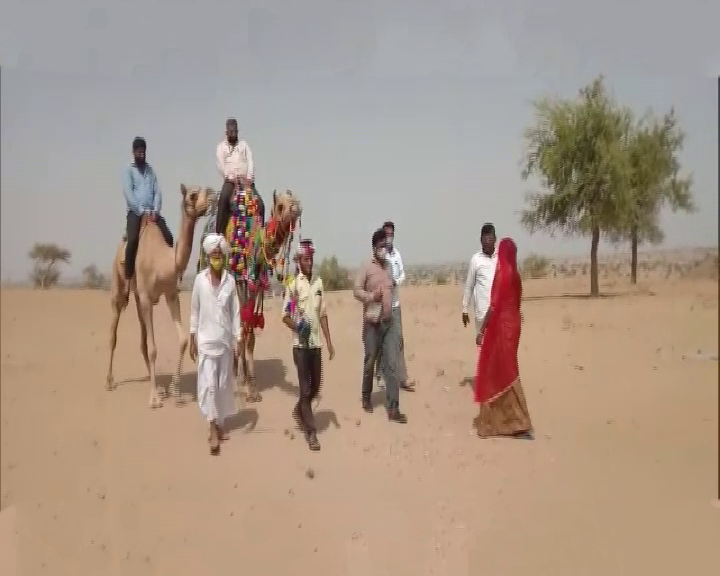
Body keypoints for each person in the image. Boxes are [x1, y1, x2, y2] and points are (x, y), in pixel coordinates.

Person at [473, 237, 533, 439]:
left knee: (501, 371)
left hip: (502, 328)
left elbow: (493, 306)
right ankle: (505, 420)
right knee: (504, 369)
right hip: (514, 326)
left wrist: (482, 329)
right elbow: (517, 304)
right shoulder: (516, 275)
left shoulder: (503, 275)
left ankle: (520, 421)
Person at [189, 233, 241, 455]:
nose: (217, 257)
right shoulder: (199, 280)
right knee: (209, 386)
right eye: (213, 254)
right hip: (205, 342)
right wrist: (192, 337)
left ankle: (220, 422)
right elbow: (194, 310)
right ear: (207, 256)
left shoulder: (230, 281)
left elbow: (235, 312)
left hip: (224, 342)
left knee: (221, 386)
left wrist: (238, 339)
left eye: (220, 254)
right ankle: (212, 428)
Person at [282, 239, 335, 451]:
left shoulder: (319, 283)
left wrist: (329, 342)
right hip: (300, 346)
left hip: (316, 345)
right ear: (299, 262)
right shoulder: (293, 285)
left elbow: (323, 314)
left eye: (311, 258)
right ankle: (311, 432)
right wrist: (297, 327)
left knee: (316, 387)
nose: (310, 262)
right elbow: (285, 316)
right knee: (305, 390)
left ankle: (299, 411)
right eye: (306, 259)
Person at [354, 228, 407, 423]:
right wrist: (371, 297)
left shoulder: (389, 267)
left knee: (391, 364)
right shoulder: (366, 267)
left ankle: (394, 409)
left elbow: (392, 289)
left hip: (388, 321)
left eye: (386, 245)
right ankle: (366, 396)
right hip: (371, 322)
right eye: (381, 246)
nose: (384, 249)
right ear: (374, 247)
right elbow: (356, 290)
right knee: (370, 361)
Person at [122, 137, 174, 290]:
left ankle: (170, 277)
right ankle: (128, 278)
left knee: (169, 238)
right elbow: (128, 193)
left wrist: (156, 210)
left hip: (153, 213)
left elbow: (157, 191)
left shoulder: (150, 170)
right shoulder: (128, 170)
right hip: (135, 212)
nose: (142, 155)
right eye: (139, 152)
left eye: (143, 152)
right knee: (132, 241)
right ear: (134, 152)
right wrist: (141, 211)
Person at [375, 221, 415, 391]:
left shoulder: (397, 254)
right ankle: (380, 375)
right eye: (387, 234)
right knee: (382, 341)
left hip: (396, 304)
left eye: (391, 234)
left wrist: (396, 281)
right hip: (383, 305)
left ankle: (403, 378)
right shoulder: (380, 256)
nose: (389, 238)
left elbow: (403, 273)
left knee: (398, 340)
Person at [215, 118, 265, 236]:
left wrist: (249, 178)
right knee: (223, 200)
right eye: (230, 132)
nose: (233, 134)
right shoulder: (221, 147)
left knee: (261, 205)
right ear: (226, 132)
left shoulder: (244, 145)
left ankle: (261, 234)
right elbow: (220, 164)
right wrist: (230, 177)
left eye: (235, 132)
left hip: (246, 181)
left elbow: (250, 161)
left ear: (237, 131)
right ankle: (218, 235)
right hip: (230, 181)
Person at [462, 223, 498, 337]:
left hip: (498, 313)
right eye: (484, 239)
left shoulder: (501, 257)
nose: (487, 242)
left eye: (490, 239)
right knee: (483, 351)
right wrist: (465, 308)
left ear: (495, 239)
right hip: (482, 314)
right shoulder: (476, 260)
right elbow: (469, 285)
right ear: (480, 240)